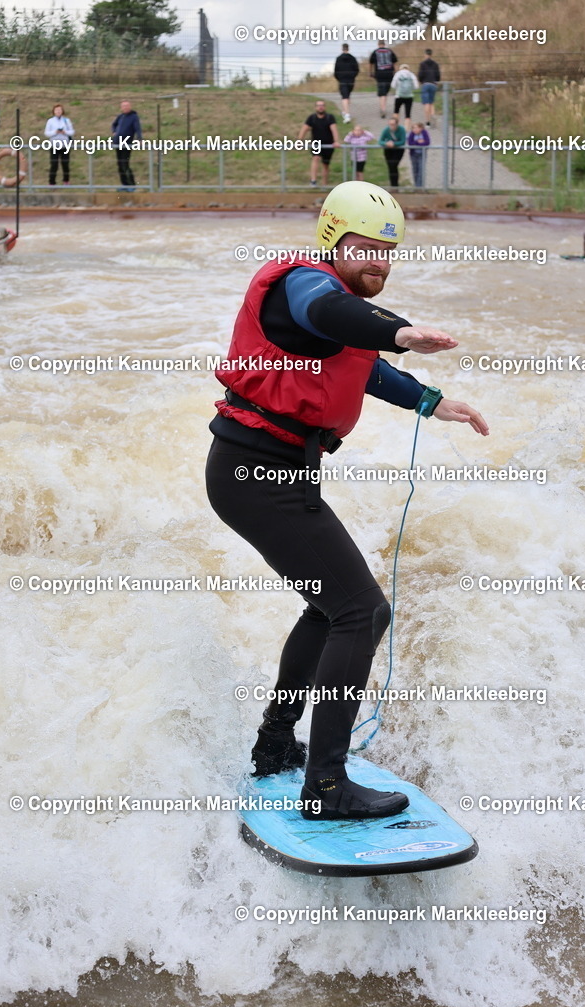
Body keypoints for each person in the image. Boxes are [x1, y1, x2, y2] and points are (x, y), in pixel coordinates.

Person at [205, 180, 488, 820]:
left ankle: (277, 744)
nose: (378, 262)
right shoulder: (301, 288)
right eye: (365, 248)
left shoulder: (351, 312)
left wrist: (431, 400)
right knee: (362, 611)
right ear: (333, 240)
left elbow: (363, 363)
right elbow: (337, 319)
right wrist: (403, 331)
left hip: (273, 472)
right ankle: (325, 786)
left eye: (388, 252)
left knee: (331, 610)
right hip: (255, 472)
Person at [298, 99, 340, 187]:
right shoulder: (312, 118)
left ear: (325, 107)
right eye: (318, 105)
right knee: (316, 158)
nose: (320, 107)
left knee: (325, 165)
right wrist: (299, 140)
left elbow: (334, 129)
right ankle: (313, 181)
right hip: (316, 144)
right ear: (315, 107)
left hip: (328, 145)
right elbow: (304, 129)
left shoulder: (330, 117)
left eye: (322, 105)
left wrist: (336, 141)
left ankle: (324, 184)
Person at [111, 99, 142, 191]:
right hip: (117, 143)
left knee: (125, 164)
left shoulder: (134, 117)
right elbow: (114, 125)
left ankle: (132, 185)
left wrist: (139, 139)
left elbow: (137, 128)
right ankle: (124, 184)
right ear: (121, 108)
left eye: (127, 106)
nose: (125, 107)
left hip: (126, 144)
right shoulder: (120, 116)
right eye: (123, 106)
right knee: (120, 164)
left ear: (130, 106)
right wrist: (114, 132)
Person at [44, 103, 74, 186]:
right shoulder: (50, 121)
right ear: (53, 111)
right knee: (54, 164)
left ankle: (66, 181)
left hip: (65, 146)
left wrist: (65, 132)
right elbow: (46, 133)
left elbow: (72, 131)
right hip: (54, 146)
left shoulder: (66, 120)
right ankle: (52, 182)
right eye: (56, 110)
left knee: (65, 164)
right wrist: (55, 132)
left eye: (60, 110)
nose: (58, 112)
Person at [369, 38, 398, 119]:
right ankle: (383, 107)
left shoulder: (375, 52)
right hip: (389, 74)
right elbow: (394, 62)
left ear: (378, 44)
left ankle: (383, 109)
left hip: (379, 74)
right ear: (384, 44)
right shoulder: (390, 51)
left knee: (382, 93)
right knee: (385, 92)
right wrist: (396, 73)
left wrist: (370, 72)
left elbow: (370, 63)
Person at [334, 44, 359, 124]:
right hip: (351, 80)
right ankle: (345, 111)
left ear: (342, 49)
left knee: (344, 97)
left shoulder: (338, 59)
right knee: (348, 96)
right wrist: (353, 76)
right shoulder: (353, 58)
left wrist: (339, 78)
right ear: (348, 49)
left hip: (342, 80)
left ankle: (347, 115)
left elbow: (336, 71)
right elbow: (357, 69)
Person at [391, 64, 419, 132]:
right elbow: (416, 86)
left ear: (400, 68)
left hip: (399, 96)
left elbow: (393, 85)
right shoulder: (411, 74)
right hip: (409, 96)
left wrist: (398, 88)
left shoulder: (397, 74)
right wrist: (411, 88)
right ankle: (406, 130)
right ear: (408, 68)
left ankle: (395, 127)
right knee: (407, 114)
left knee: (396, 111)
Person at [379, 116, 406, 187]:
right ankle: (393, 185)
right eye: (390, 124)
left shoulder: (401, 130)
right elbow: (380, 141)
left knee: (394, 165)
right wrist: (386, 143)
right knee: (390, 167)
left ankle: (395, 185)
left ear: (397, 124)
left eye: (393, 124)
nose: (391, 126)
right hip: (388, 150)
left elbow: (403, 141)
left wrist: (394, 144)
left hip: (398, 150)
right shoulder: (386, 130)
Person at [418, 49, 441, 127]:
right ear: (431, 55)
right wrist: (436, 81)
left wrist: (421, 81)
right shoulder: (435, 64)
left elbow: (420, 75)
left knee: (426, 103)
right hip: (433, 84)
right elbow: (438, 75)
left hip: (425, 84)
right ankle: (433, 115)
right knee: (431, 102)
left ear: (425, 54)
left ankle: (427, 121)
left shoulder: (422, 64)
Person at [407, 122, 430, 188]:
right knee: (415, 170)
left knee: (421, 170)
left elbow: (427, 142)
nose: (415, 129)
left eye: (417, 128)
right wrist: (418, 142)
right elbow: (410, 143)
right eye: (413, 128)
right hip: (413, 154)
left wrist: (417, 144)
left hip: (422, 154)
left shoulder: (424, 133)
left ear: (421, 128)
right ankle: (416, 185)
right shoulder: (412, 134)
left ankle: (419, 187)